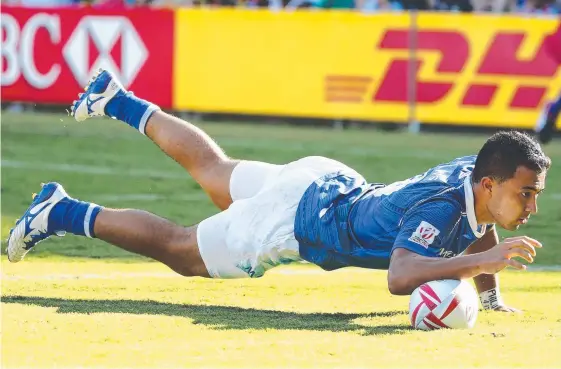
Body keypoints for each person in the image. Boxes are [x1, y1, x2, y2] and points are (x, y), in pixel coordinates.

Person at [7, 69, 549, 313]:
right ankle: (61, 211)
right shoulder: (441, 207)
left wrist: (489, 291)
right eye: (526, 193)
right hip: (299, 220)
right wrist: (482, 265)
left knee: (216, 172)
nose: (532, 204)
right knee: (182, 251)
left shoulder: (475, 175)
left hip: (324, 180)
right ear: (489, 182)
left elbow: (482, 223)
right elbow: (400, 275)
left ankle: (116, 98)